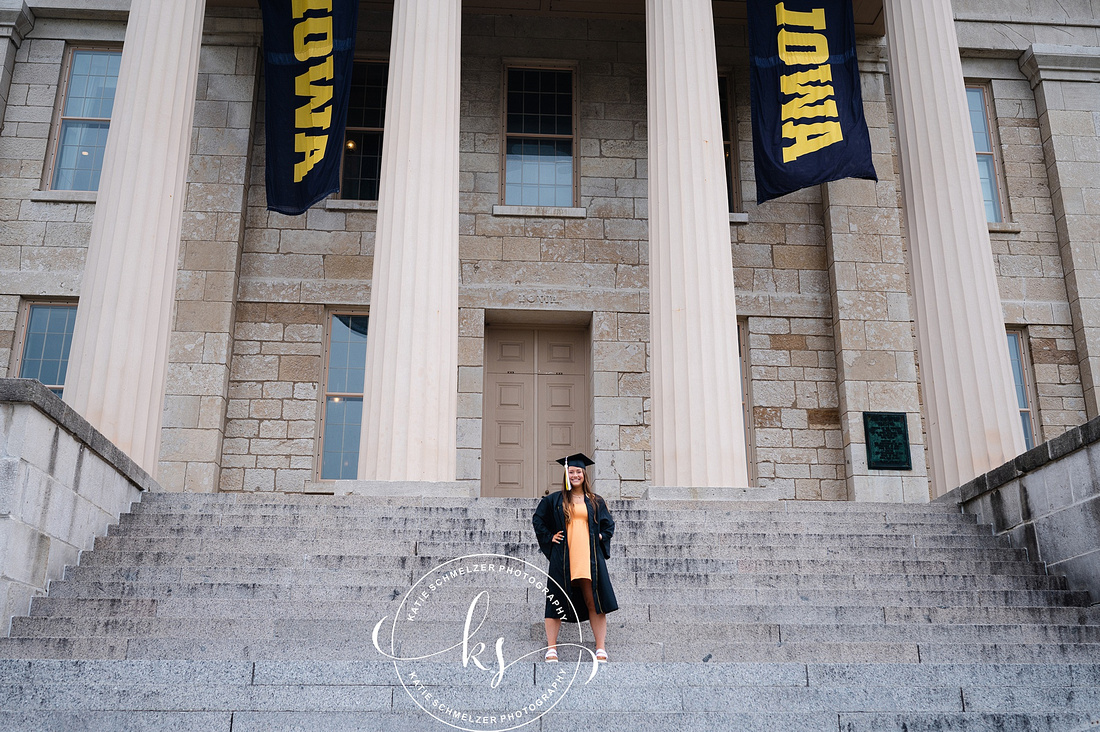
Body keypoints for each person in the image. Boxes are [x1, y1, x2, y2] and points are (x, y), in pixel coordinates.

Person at [532, 452, 618, 664]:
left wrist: (600, 536)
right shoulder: (554, 499)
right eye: (571, 472)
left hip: (589, 559)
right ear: (566, 474)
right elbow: (538, 519)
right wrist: (550, 537)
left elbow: (609, 525)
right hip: (564, 557)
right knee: (555, 601)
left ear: (584, 474)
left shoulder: (595, 500)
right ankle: (551, 649)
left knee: (594, 601)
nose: (575, 475)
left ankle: (600, 648)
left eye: (578, 472)